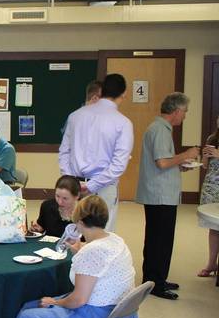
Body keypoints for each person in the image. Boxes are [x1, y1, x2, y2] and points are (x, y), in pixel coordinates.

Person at [15, 196, 137, 318]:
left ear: (80, 222)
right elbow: (97, 261)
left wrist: (56, 303)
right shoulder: (115, 240)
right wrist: (79, 249)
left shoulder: (92, 252)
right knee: (33, 306)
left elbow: (78, 300)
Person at [136, 93, 199, 299]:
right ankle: (156, 283)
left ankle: (156, 279)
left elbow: (164, 163)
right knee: (160, 241)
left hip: (159, 193)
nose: (185, 116)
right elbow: (162, 162)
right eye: (185, 112)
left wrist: (180, 165)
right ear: (176, 111)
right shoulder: (160, 130)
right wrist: (186, 155)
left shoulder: (159, 128)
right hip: (160, 195)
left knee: (157, 239)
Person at [58, 73, 133, 230]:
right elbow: (118, 165)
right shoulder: (123, 123)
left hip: (75, 185)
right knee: (102, 234)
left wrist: (70, 180)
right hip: (103, 187)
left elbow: (64, 152)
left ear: (102, 90)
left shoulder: (75, 116)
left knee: (74, 230)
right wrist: (92, 186)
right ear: (123, 94)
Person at [198, 117, 219, 278]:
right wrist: (205, 156)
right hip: (212, 186)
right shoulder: (212, 138)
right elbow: (205, 166)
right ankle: (211, 263)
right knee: (214, 227)